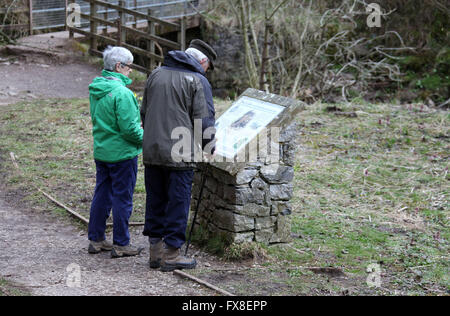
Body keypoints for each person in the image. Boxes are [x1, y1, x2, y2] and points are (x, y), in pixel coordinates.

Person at [141, 39, 217, 272]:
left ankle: (155, 252)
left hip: (152, 150)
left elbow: (143, 111)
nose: (207, 71)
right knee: (178, 202)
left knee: (156, 199)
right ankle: (172, 255)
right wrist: (209, 146)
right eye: (208, 67)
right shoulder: (198, 81)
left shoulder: (155, 74)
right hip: (180, 153)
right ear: (202, 61)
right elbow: (203, 120)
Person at [87, 46, 144, 258]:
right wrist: (147, 138)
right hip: (122, 154)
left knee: (102, 194)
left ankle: (96, 239)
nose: (131, 71)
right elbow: (130, 129)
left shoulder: (97, 87)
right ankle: (121, 243)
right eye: (129, 66)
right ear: (119, 66)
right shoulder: (123, 93)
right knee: (123, 198)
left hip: (102, 150)